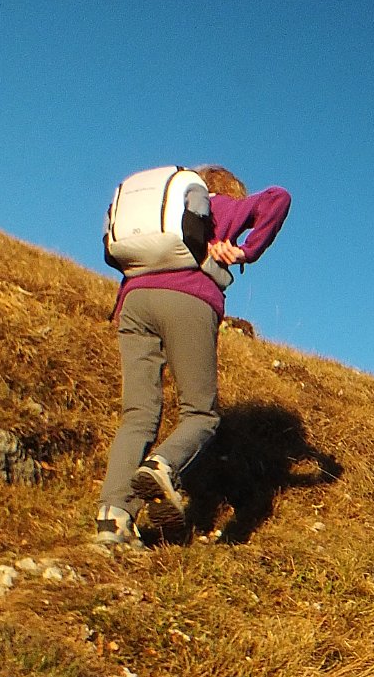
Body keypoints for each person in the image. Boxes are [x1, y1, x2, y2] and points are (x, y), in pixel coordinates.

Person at [95, 165, 291, 546]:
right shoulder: (226, 207)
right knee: (200, 413)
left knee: (138, 414)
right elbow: (279, 198)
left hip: (133, 302)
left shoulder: (167, 215)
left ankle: (113, 518)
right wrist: (247, 250)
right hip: (187, 301)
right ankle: (162, 465)